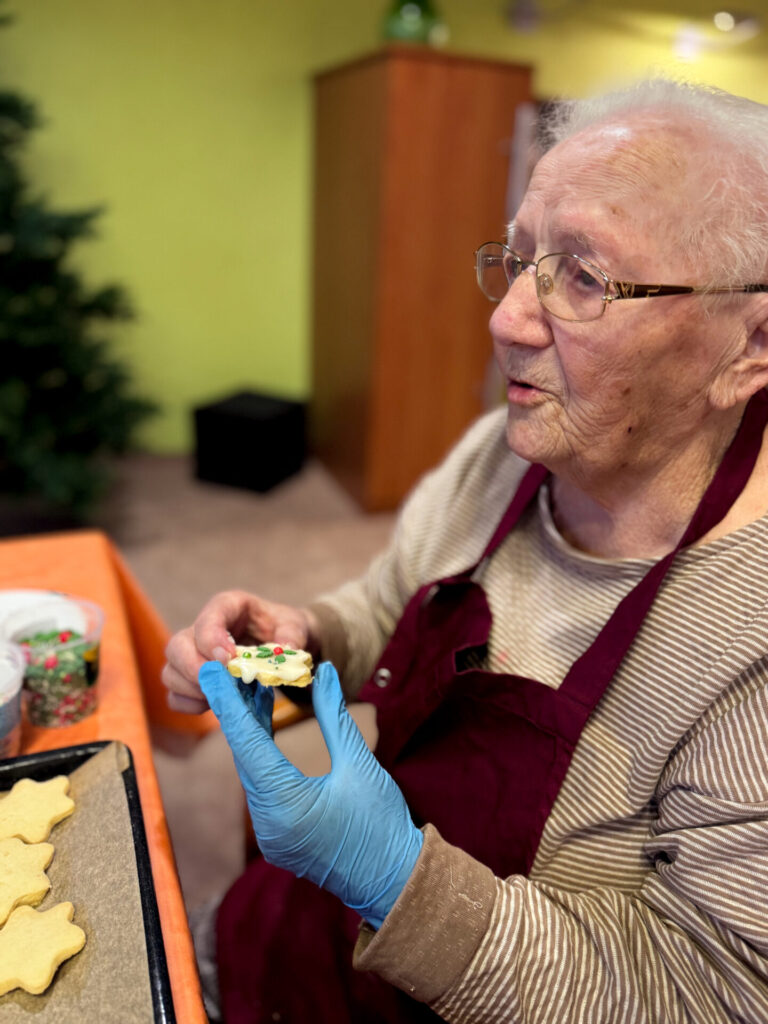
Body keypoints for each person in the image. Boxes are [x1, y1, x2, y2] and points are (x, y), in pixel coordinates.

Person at [163, 77, 768, 1024]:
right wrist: (284, 651)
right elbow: (384, 610)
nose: (506, 319)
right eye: (520, 259)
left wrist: (399, 884)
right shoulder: (514, 445)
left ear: (751, 344)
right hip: (303, 945)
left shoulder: (747, 640)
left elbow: (713, 994)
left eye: (584, 277)